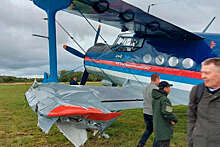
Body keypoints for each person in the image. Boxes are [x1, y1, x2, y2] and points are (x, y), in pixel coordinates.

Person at [187, 57, 220, 147]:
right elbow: (191, 119)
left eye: (207, 73)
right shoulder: (197, 91)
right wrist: (191, 142)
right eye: (202, 72)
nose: (202, 76)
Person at [152, 81, 178, 147]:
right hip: (164, 129)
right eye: (169, 87)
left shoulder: (155, 99)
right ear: (165, 88)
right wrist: (174, 119)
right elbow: (167, 112)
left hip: (157, 127)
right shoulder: (164, 99)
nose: (169, 89)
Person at [137, 73, 160, 147]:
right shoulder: (156, 89)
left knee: (149, 130)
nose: (159, 81)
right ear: (156, 79)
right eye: (159, 80)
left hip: (145, 112)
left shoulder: (146, 87)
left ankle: (141, 144)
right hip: (152, 114)